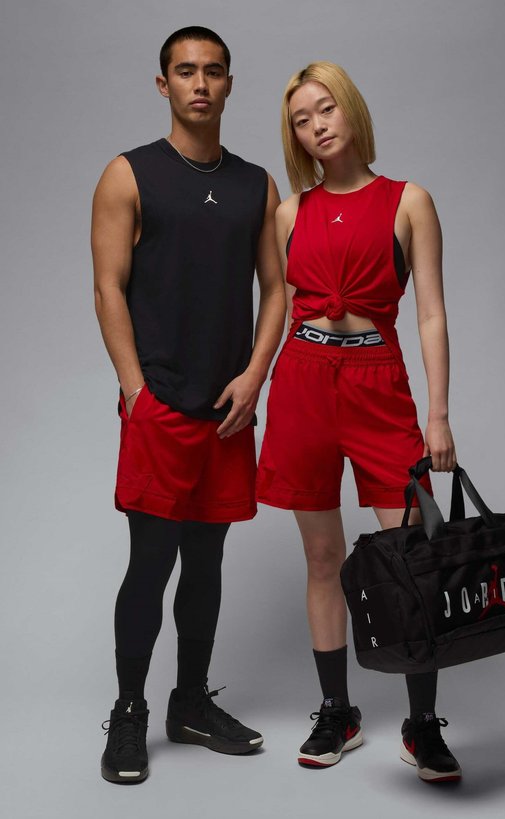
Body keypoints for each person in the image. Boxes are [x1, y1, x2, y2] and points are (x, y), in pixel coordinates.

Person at [257, 62, 461, 782]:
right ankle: (336, 711)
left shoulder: (409, 200)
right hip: (304, 383)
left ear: (350, 109)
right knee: (323, 558)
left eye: (325, 108)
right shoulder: (289, 213)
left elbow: (430, 312)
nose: (316, 126)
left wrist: (438, 413)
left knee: (412, 555)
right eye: (300, 120)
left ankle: (422, 722)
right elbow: (280, 309)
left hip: (380, 384)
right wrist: (253, 380)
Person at [91, 26, 285, 783]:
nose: (199, 84)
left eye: (213, 71)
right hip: (161, 405)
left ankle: (191, 703)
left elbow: (277, 288)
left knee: (207, 561)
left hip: (227, 408)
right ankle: (129, 712)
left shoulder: (255, 184)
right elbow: (108, 286)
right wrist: (135, 391)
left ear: (229, 83)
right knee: (151, 562)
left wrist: (255, 375)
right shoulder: (128, 174)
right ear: (163, 83)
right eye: (185, 71)